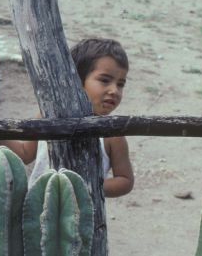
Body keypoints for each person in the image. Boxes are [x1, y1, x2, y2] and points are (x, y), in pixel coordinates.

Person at [7, 37, 135, 197]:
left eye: (120, 84)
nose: (114, 90)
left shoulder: (112, 133)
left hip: (86, 217)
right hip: (38, 210)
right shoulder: (48, 116)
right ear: (76, 80)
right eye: (105, 80)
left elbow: (125, 180)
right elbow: (25, 154)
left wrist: (88, 187)